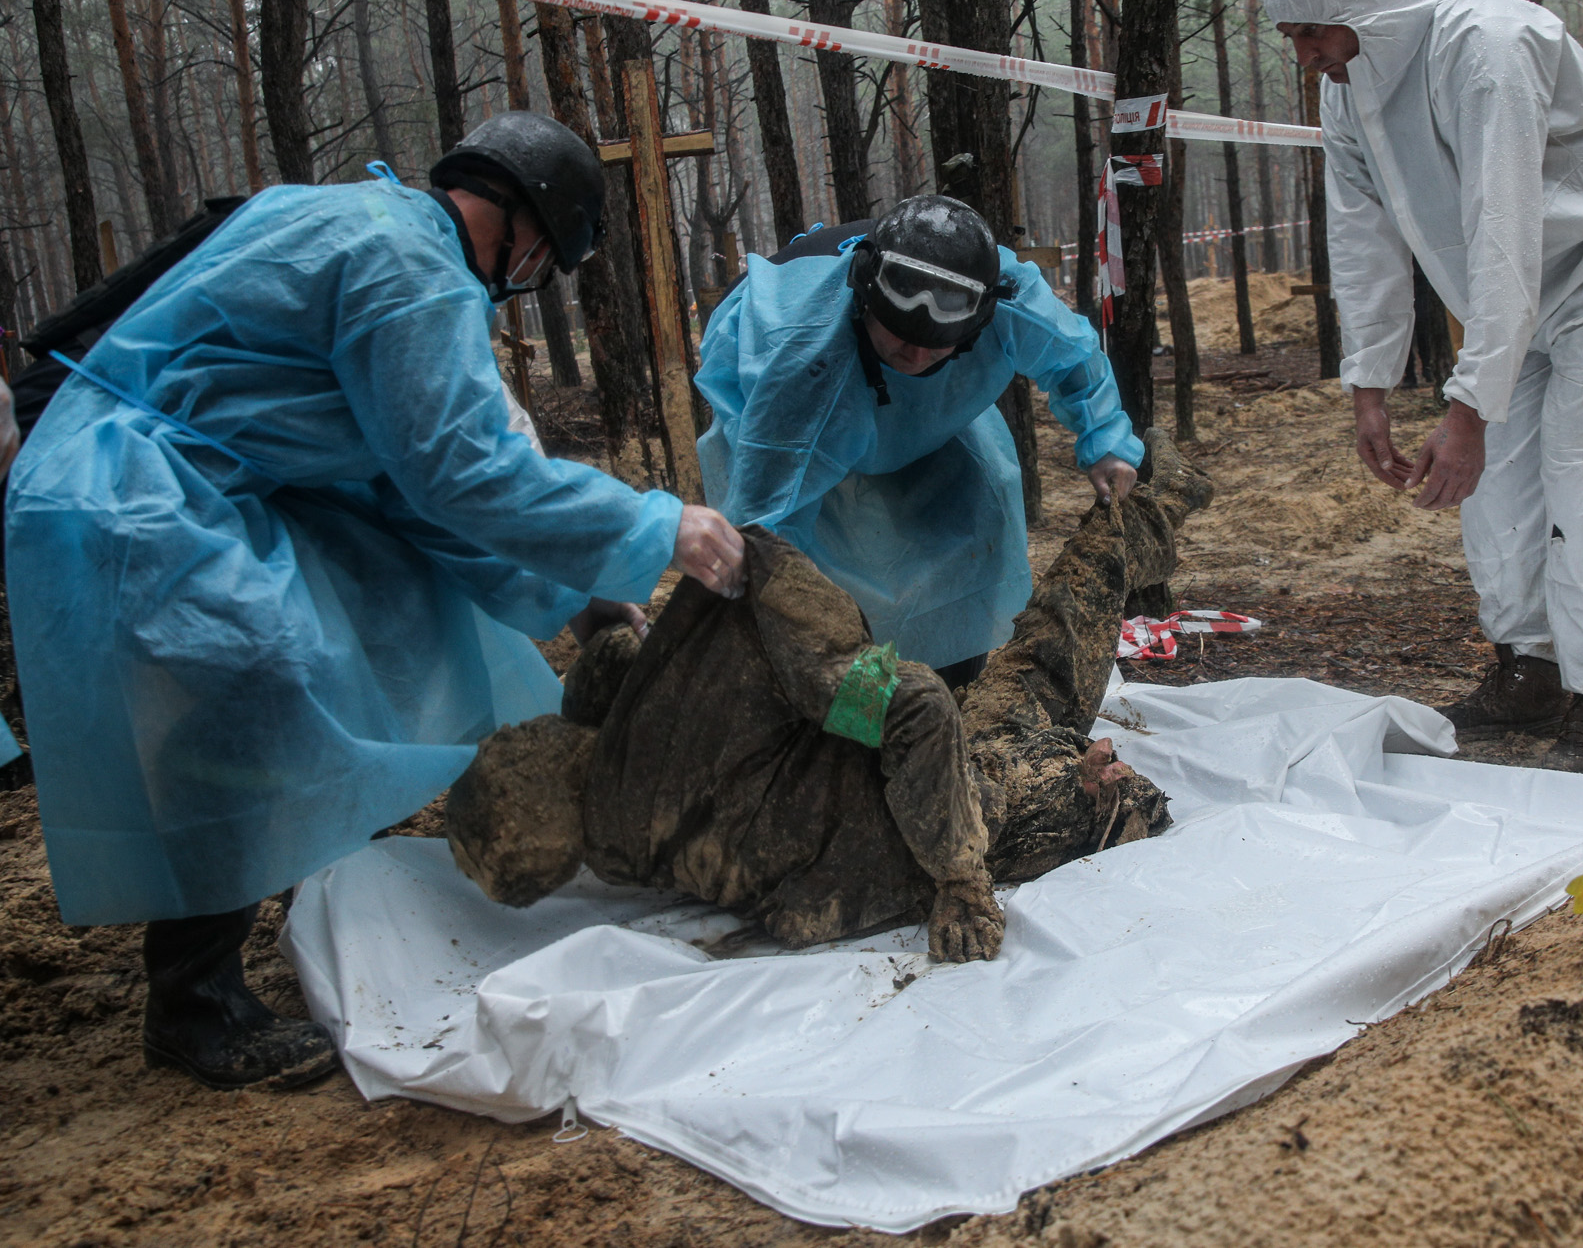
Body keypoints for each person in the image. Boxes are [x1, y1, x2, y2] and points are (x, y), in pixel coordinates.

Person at [5, 111, 747, 1090]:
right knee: (252, 693)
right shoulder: (414, 271)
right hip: (139, 495)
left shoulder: (374, 224)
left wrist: (581, 597)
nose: (524, 282)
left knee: (385, 604)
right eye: (541, 263)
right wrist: (657, 530)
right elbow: (463, 472)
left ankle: (239, 911)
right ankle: (196, 1004)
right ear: (527, 229)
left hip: (176, 483)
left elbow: (407, 492)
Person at [447, 433, 1214, 960]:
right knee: (1113, 759)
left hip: (939, 769)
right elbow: (907, 706)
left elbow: (911, 709)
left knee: (1057, 627)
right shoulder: (659, 770)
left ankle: (1163, 496)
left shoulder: (628, 803)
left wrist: (957, 878)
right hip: (969, 797)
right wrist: (959, 874)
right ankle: (1160, 503)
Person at [1263, 0, 1583, 771]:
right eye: (1290, 37)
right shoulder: (1347, 83)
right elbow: (1362, 234)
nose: (1303, 54)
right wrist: (1370, 384)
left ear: (1362, 5)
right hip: (1513, 289)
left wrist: (1468, 406)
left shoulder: (1487, 44)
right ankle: (1529, 672)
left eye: (1311, 30)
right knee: (1493, 489)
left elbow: (1503, 222)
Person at [695, 195, 1145, 690]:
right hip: (805, 399)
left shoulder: (1009, 299)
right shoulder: (802, 367)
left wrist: (1107, 440)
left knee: (976, 507)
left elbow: (1074, 358)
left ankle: (949, 686)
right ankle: (857, 718)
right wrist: (805, 633)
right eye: (899, 334)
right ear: (867, 299)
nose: (915, 351)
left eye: (936, 341)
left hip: (932, 404)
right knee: (833, 573)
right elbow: (769, 527)